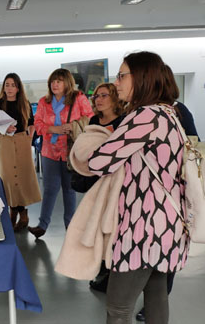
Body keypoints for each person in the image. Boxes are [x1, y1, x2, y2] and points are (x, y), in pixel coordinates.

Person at [87, 51, 190, 324]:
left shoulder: (145, 116)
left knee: (118, 307)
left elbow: (98, 162)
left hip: (143, 226)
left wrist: (91, 142)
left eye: (122, 76)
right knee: (157, 295)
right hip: (166, 222)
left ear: (142, 78)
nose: (116, 83)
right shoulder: (169, 112)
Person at [134, 64, 198, 322]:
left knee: (164, 261)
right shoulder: (139, 113)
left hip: (171, 196)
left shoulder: (178, 111)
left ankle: (152, 307)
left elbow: (194, 146)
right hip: (145, 200)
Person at [28, 68, 94, 239]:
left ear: (67, 82)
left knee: (69, 189)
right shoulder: (44, 101)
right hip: (49, 151)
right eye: (53, 81)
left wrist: (72, 125)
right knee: (49, 189)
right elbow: (38, 123)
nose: (55, 84)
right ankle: (42, 225)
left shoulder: (78, 98)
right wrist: (54, 128)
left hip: (70, 150)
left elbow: (90, 117)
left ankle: (70, 226)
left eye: (59, 81)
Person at [85, 83, 125, 291]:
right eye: (96, 96)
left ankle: (112, 270)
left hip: (116, 181)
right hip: (95, 179)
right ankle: (101, 268)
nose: (98, 99)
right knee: (97, 225)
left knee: (113, 226)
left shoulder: (123, 121)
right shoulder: (93, 120)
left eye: (104, 95)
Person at [0, 73, 41, 232]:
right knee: (8, 178)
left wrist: (29, 137)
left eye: (13, 85)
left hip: (22, 141)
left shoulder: (24, 103)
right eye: (7, 84)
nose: (9, 88)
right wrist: (3, 129)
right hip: (5, 141)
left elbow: (31, 124)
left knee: (22, 177)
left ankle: (22, 212)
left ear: (18, 88)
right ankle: (14, 211)